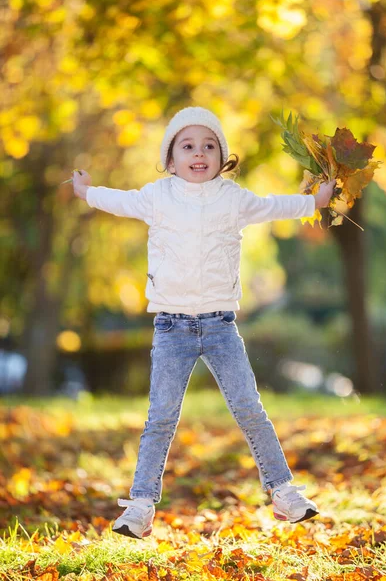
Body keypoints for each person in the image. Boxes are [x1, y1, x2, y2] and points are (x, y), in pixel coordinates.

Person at [72, 107, 336, 540]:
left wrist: (315, 201)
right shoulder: (157, 196)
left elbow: (274, 206)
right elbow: (117, 200)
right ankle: (140, 504)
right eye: (188, 146)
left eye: (209, 146)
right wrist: (87, 192)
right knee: (160, 416)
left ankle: (284, 491)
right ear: (171, 159)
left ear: (222, 157)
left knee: (250, 409)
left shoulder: (233, 199)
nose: (200, 153)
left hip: (220, 327)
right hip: (171, 328)